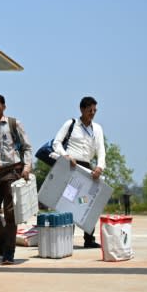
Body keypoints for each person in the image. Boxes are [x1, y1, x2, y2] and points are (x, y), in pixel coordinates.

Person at [0, 93, 33, 265]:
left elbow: (26, 147)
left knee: (11, 214)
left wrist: (27, 167)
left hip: (12, 172)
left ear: (4, 106)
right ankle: (4, 237)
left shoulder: (13, 123)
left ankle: (9, 253)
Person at [51, 96, 106, 248]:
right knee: (68, 203)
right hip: (72, 167)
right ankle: (67, 240)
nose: (92, 113)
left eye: (95, 110)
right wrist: (66, 156)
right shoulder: (71, 124)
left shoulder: (97, 129)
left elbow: (101, 150)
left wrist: (99, 167)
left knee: (89, 203)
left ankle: (89, 239)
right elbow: (56, 142)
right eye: (90, 110)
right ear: (82, 109)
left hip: (88, 168)